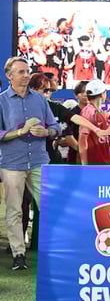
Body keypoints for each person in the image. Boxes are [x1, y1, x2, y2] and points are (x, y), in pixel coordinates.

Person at [0, 57, 59, 270]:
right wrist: (19, 132)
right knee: (14, 210)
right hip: (11, 163)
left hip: (38, 161)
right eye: (21, 72)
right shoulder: (2, 101)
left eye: (27, 71)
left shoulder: (40, 100)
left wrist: (48, 131)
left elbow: (55, 127)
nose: (26, 75)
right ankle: (18, 254)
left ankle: (55, 251)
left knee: (51, 207)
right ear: (9, 76)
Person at [79, 80, 110, 166]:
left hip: (105, 162)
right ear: (102, 94)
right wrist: (85, 165)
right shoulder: (88, 112)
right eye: (105, 92)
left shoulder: (100, 112)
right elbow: (83, 139)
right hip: (94, 163)